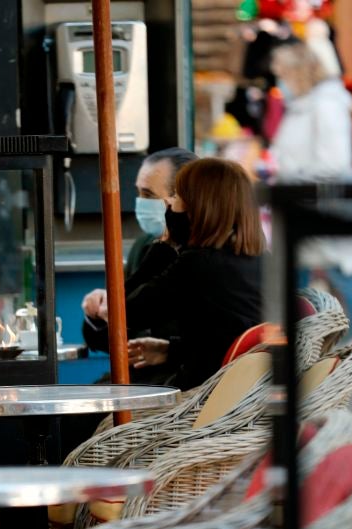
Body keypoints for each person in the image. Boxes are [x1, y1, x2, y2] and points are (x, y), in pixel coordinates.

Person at [270, 42, 352, 341]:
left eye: (281, 74)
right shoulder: (302, 106)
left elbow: (333, 161)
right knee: (300, 270)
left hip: (327, 200)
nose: (278, 82)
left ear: (297, 73)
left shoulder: (326, 104)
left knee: (342, 270)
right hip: (306, 199)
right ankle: (299, 336)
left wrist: (294, 178)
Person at [125, 158, 265, 392]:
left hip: (198, 405)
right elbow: (225, 338)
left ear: (198, 207)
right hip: (241, 398)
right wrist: (170, 351)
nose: (168, 203)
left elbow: (124, 316)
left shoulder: (198, 265)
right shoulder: (260, 260)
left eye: (177, 196)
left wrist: (163, 246)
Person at [80, 147, 197, 384]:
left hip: (177, 386)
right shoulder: (144, 246)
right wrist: (98, 312)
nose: (140, 204)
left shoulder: (199, 256)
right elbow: (119, 334)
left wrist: (167, 351)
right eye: (138, 193)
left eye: (148, 195)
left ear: (182, 199)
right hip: (136, 377)